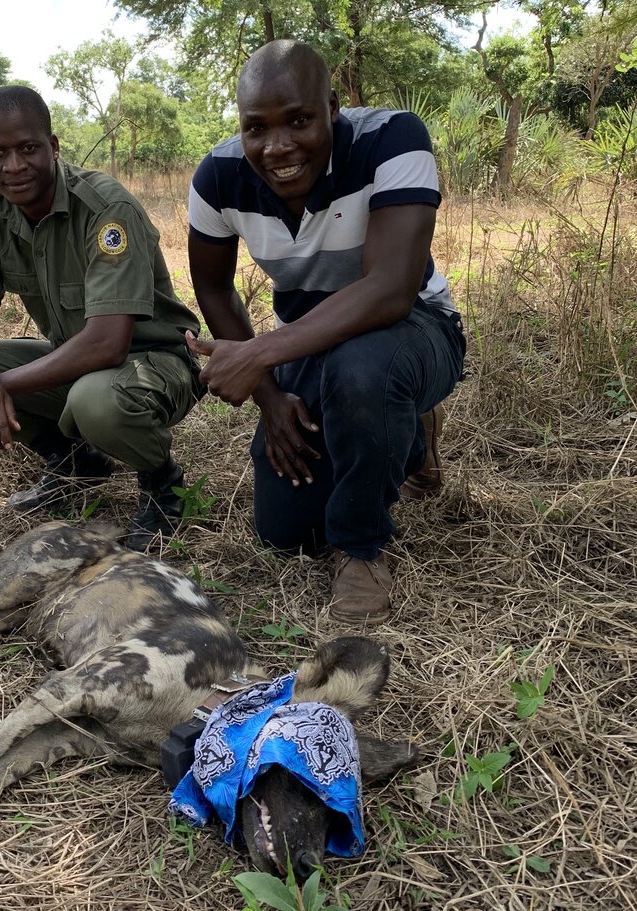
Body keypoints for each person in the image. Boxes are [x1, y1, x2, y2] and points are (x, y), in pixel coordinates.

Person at [185, 41, 466, 623]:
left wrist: (258, 353)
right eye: (255, 128)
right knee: (285, 530)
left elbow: (390, 288)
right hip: (307, 341)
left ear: (332, 109)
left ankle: (362, 548)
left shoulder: (392, 139)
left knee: (362, 371)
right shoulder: (217, 178)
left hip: (414, 326)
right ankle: (406, 439)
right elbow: (213, 289)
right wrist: (269, 396)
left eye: (299, 120)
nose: (278, 146)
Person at [0, 85, 203, 550]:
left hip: (155, 361)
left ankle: (163, 483)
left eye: (28, 148)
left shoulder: (105, 209)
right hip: (76, 363)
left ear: (53, 147)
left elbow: (108, 344)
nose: (13, 166)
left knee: (96, 402)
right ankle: (74, 460)